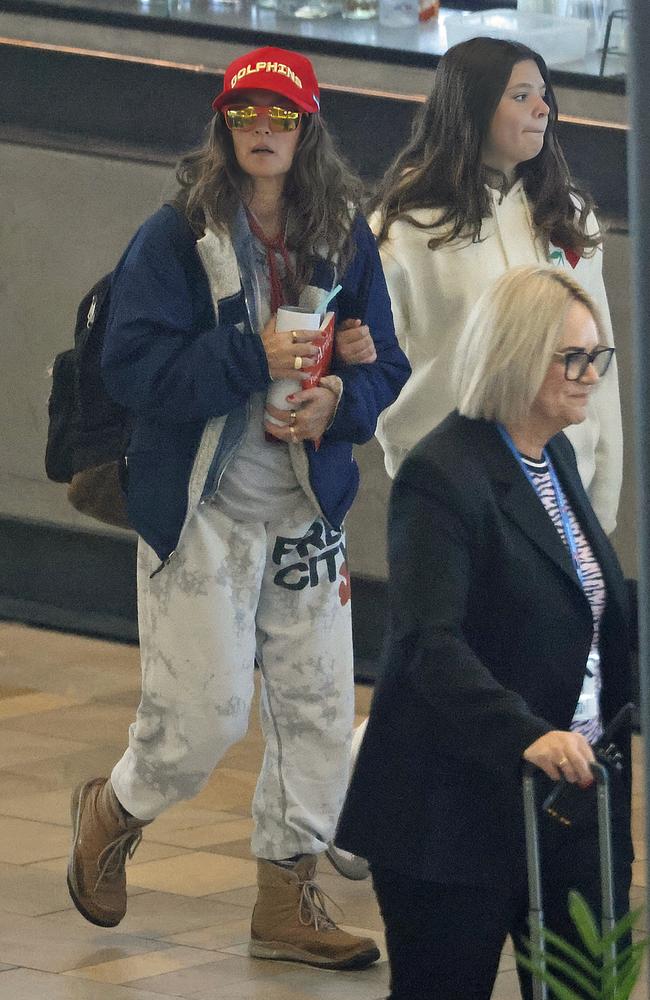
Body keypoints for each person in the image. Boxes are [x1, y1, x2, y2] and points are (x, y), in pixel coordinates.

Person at [66, 45, 410, 971]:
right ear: (225, 124)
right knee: (203, 718)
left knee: (318, 715)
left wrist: (345, 399)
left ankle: (284, 900)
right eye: (248, 113)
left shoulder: (343, 234)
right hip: (203, 509)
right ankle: (116, 806)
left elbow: (388, 368)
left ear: (309, 130)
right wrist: (249, 359)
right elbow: (130, 369)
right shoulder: (175, 237)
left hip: (305, 511)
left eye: (282, 116)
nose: (264, 129)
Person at [335, 265, 634, 1000]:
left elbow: (585, 608)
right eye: (573, 357)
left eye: (597, 354)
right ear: (516, 355)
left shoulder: (552, 455)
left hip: (575, 796)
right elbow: (428, 644)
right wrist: (523, 732)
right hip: (454, 811)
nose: (591, 374)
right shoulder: (443, 475)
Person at [371, 36, 622, 536]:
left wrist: (603, 500)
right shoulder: (409, 228)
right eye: (522, 95)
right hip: (453, 497)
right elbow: (376, 368)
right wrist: (412, 460)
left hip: (563, 486)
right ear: (473, 106)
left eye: (544, 94)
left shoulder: (567, 217)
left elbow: (601, 365)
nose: (543, 108)